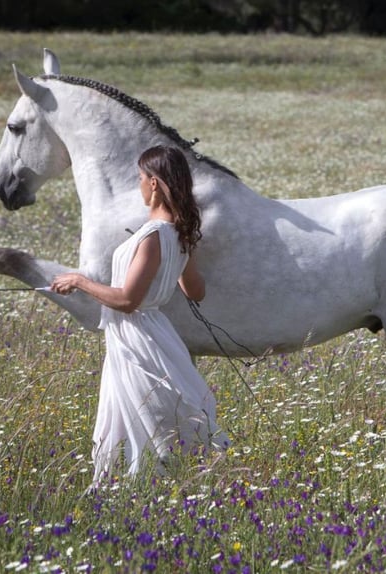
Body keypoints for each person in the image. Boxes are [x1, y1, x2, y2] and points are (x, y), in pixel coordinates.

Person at [50, 145, 229, 482]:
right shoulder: (177, 233)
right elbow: (195, 291)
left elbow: (127, 300)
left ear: (155, 185)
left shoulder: (154, 236)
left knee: (143, 418)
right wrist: (173, 265)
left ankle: (141, 486)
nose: (139, 185)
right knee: (150, 414)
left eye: (141, 178)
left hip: (137, 337)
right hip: (153, 332)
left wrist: (79, 281)